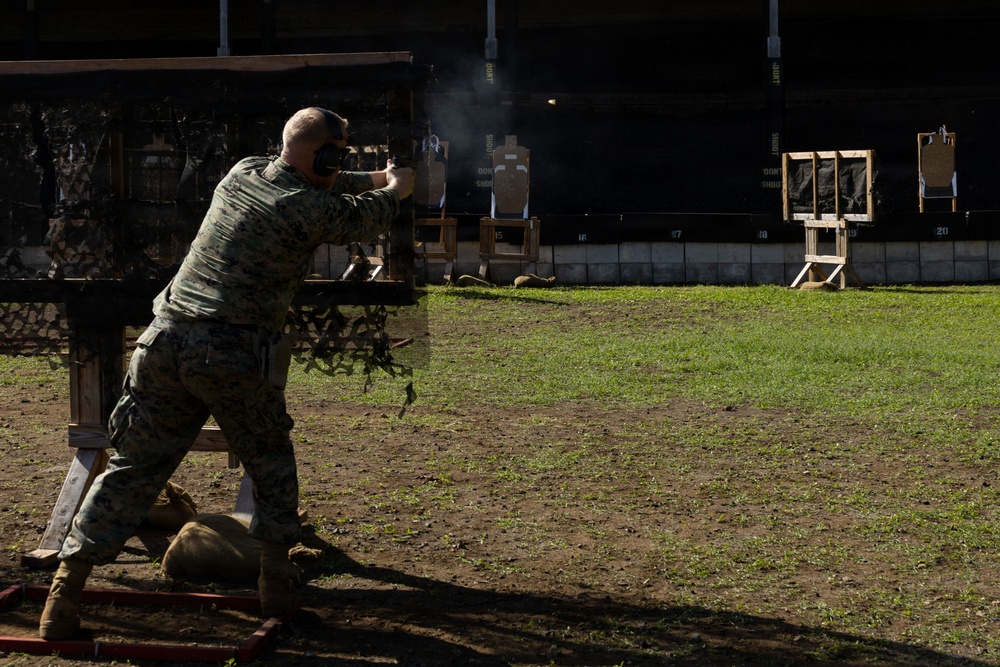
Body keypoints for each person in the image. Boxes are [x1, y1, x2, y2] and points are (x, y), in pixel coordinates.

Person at [39, 107, 414, 640]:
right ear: (321, 156)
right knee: (269, 464)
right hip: (229, 350)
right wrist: (397, 187)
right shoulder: (301, 207)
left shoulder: (244, 171)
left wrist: (375, 175)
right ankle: (275, 588)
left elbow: (324, 185)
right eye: (336, 153)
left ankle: (62, 598)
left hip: (163, 340)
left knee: (130, 469)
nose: (339, 162)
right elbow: (359, 217)